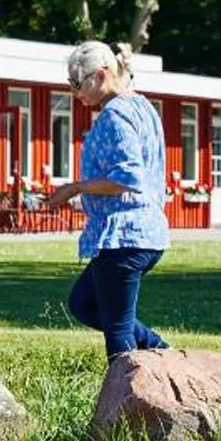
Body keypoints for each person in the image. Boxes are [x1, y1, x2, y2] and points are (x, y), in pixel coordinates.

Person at [42, 41, 172, 358]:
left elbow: (127, 177)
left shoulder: (115, 114)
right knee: (83, 303)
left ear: (101, 75)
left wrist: (75, 188)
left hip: (125, 235)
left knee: (117, 329)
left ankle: (128, 386)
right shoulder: (142, 106)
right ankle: (162, 353)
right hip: (144, 233)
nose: (75, 92)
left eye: (77, 83)